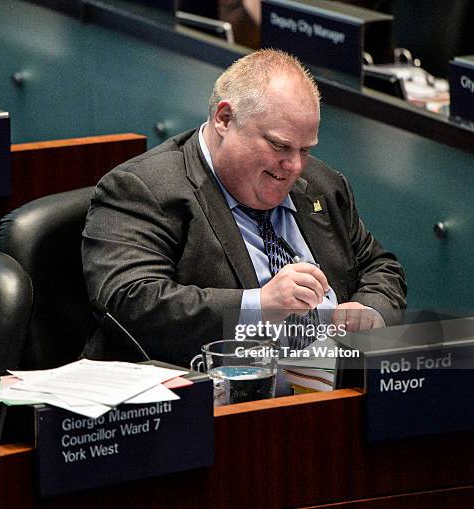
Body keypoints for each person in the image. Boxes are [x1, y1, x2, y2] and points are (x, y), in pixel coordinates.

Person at [82, 49, 406, 367]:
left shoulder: (323, 184)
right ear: (224, 119)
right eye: (279, 145)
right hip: (216, 401)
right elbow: (130, 301)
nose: (294, 166)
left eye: (305, 150)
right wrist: (261, 306)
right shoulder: (144, 188)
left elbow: (378, 265)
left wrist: (369, 310)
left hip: (332, 394)